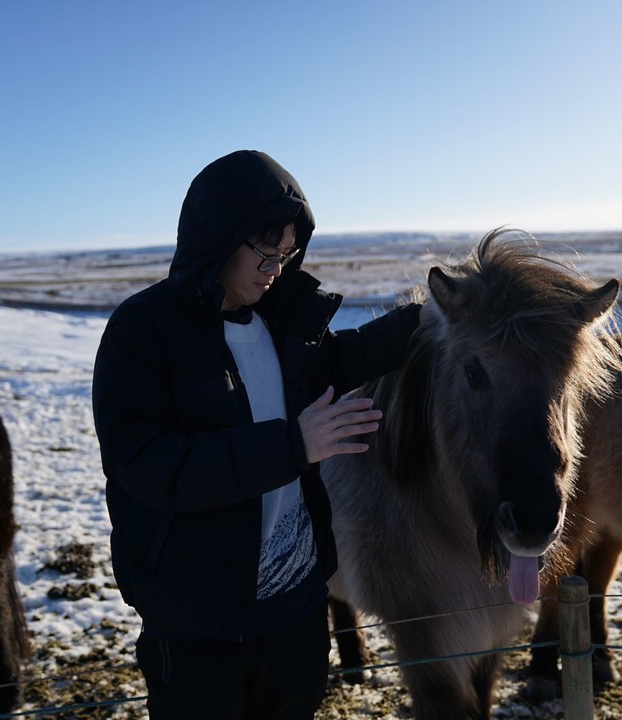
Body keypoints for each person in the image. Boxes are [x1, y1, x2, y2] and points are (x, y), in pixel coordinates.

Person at [91, 150, 421, 719]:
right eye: (266, 251)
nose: (275, 268)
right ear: (219, 237)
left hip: (295, 614)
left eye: (288, 254)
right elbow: (148, 464)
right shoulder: (141, 332)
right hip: (198, 625)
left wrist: (432, 313)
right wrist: (294, 446)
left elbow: (349, 357)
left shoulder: (279, 322)